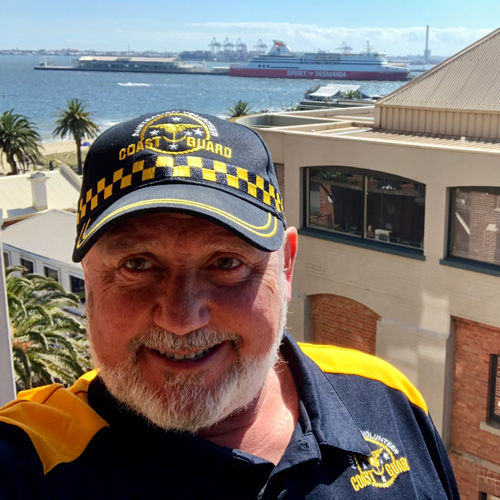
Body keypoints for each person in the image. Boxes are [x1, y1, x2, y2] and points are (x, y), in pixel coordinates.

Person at [0, 110, 459, 499]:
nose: (181, 319)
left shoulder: (386, 398)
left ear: (287, 267)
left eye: (226, 262)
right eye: (137, 264)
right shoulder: (27, 461)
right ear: (90, 281)